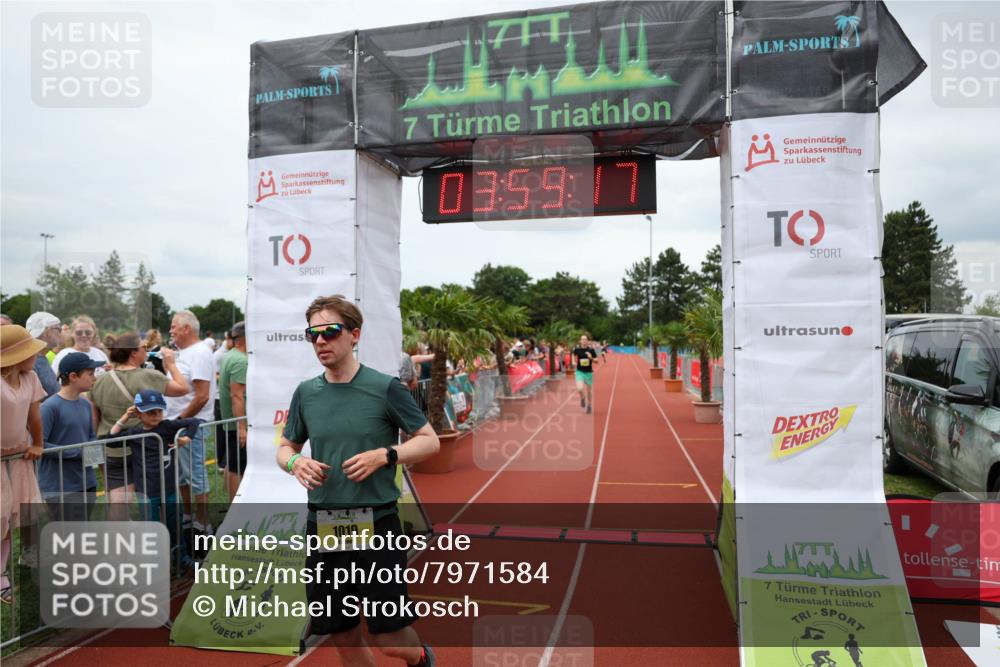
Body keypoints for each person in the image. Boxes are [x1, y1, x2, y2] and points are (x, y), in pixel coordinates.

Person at [276, 295, 439, 667]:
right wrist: (296, 462)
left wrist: (386, 455)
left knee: (389, 638)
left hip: (377, 523)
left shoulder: (385, 387)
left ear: (354, 335)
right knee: (342, 632)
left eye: (330, 332)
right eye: (313, 334)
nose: (321, 341)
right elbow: (286, 447)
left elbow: (429, 441)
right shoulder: (306, 392)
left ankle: (420, 658)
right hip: (324, 526)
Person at [90, 332, 189, 508]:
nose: (147, 350)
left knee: (119, 504)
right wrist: (172, 365)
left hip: (112, 449)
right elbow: (182, 388)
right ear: (133, 352)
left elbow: (94, 418)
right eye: (144, 347)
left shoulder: (100, 381)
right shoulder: (149, 376)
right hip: (145, 449)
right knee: (156, 499)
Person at [109, 390, 201, 569]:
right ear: (138, 413)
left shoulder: (167, 426)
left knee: (175, 526)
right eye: (150, 412)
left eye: (159, 411)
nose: (156, 415)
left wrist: (186, 438)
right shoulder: (134, 433)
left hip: (170, 489)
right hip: (147, 493)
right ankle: (155, 565)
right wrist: (124, 418)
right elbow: (110, 440)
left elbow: (194, 422)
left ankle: (181, 558)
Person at [0, 325, 47, 604]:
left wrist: (38, 443)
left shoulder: (31, 378)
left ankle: (0, 574)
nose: (36, 355)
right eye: (30, 351)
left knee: (10, 517)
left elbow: (34, 416)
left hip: (17, 460)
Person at [165, 310, 215, 533]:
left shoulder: (201, 352)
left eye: (174, 326)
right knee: (181, 475)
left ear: (187, 328)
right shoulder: (181, 353)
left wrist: (179, 420)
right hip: (178, 424)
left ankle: (203, 523)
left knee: (195, 474)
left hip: (191, 424)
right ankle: (188, 515)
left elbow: (202, 396)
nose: (171, 330)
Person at [38, 352, 103, 521]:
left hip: (86, 482)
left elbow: (90, 435)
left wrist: (94, 450)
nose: (94, 378)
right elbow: (40, 445)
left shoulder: (86, 404)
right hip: (60, 486)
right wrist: (79, 452)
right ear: (73, 376)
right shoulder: (49, 407)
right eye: (90, 374)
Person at [218, 322, 247, 501]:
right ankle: (237, 507)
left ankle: (233, 505)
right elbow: (237, 396)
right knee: (237, 466)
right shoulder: (240, 360)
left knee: (232, 464)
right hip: (238, 423)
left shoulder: (231, 355)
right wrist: (242, 427)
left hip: (232, 421)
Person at [25, 312, 62, 400]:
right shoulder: (30, 362)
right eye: (58, 329)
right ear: (47, 332)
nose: (60, 333)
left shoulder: (39, 358)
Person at [213, 330, 234, 471]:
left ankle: (226, 461)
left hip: (227, 397)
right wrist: (228, 378)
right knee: (222, 431)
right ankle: (221, 462)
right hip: (219, 398)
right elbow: (213, 375)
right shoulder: (219, 355)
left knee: (230, 430)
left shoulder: (230, 353)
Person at [572, 334, 598, 414]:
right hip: (579, 372)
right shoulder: (577, 349)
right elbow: (573, 355)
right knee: (579, 388)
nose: (583, 341)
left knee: (589, 391)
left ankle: (589, 405)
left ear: (587, 341)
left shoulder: (591, 350)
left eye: (585, 339)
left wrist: (591, 358)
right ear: (580, 341)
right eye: (582, 339)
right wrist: (573, 361)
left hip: (588, 372)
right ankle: (583, 397)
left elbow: (596, 361)